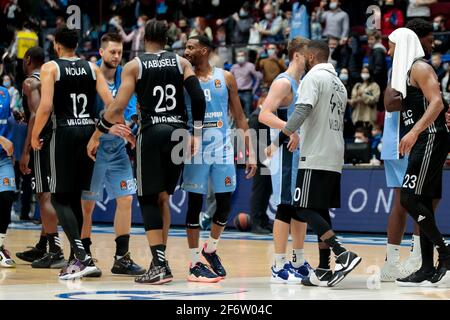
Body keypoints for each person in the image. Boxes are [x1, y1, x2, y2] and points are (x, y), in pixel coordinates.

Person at [87, 19, 206, 285]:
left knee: (149, 199)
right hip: (178, 133)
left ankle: (160, 266)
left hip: (152, 133)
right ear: (168, 39)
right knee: (163, 198)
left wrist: (97, 133)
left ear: (143, 40)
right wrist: (196, 133)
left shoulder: (135, 66)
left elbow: (117, 107)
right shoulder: (181, 62)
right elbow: (198, 98)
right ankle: (159, 262)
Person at [267, 40, 361, 287]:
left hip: (314, 153)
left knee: (302, 206)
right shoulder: (339, 83)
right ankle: (323, 268)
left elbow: (301, 112)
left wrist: (278, 140)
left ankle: (341, 252)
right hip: (335, 153)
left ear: (310, 57)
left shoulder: (312, 78)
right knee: (319, 210)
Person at [31, 26, 114, 280]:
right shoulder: (92, 67)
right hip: (88, 131)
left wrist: (35, 135)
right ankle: (77, 259)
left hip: (63, 132)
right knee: (75, 196)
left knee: (57, 197)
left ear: (56, 45)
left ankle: (82, 256)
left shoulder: (50, 68)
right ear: (76, 45)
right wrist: (102, 130)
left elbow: (45, 107)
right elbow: (111, 102)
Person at [182, 35, 257, 282]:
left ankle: (210, 249)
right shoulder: (183, 77)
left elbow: (241, 116)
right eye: (186, 47)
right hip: (195, 150)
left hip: (223, 150)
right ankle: (194, 261)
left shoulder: (225, 77)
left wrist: (251, 151)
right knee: (194, 205)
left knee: (224, 204)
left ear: (204, 50)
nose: (186, 51)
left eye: (191, 47)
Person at [388, 27, 450, 287]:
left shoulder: (419, 68)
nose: (389, 50)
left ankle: (444, 252)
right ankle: (426, 266)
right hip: (424, 139)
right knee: (420, 199)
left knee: (410, 198)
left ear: (402, 44)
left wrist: (413, 132)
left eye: (391, 45)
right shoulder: (406, 73)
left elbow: (437, 102)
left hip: (431, 137)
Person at [80, 33, 145, 277]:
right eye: (112, 52)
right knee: (87, 205)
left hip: (117, 147)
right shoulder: (90, 75)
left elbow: (127, 113)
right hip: (93, 146)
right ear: (101, 52)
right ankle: (84, 256)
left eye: (120, 52)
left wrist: (130, 127)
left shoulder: (125, 75)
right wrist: (109, 127)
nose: (117, 56)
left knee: (126, 199)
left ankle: (121, 257)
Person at [259, 37, 314, 283]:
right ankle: (278, 264)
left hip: (299, 153)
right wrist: (290, 129)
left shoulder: (302, 83)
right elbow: (263, 114)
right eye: (308, 55)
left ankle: (298, 260)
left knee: (299, 206)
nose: (311, 59)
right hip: (284, 153)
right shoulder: (283, 83)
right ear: (297, 56)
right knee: (284, 206)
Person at [15, 46, 65, 269]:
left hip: (43, 141)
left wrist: (26, 150)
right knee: (50, 195)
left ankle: (55, 250)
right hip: (61, 137)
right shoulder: (51, 76)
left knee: (44, 195)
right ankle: (43, 244)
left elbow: (36, 115)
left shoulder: (30, 82)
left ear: (27, 60)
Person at [248, 93, 272, 234]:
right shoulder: (255, 116)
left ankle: (263, 220)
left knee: (267, 190)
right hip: (259, 160)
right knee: (259, 191)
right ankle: (256, 223)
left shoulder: (266, 116)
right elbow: (253, 140)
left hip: (268, 160)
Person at [0, 83, 16, 268]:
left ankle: (0, 246)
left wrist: (15, 117)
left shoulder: (4, 92)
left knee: (6, 195)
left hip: (3, 158)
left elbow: (6, 118)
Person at [230, 50, 262, 118]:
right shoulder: (234, 67)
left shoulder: (250, 66)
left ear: (245, 57)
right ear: (236, 57)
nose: (240, 57)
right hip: (236, 92)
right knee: (236, 113)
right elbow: (229, 79)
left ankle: (249, 128)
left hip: (247, 92)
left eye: (242, 55)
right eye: (239, 56)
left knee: (248, 113)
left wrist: (254, 88)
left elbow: (259, 77)